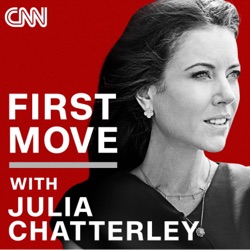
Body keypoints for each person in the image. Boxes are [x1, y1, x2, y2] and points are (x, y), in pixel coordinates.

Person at [51, 0, 250, 248]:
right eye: (201, 74)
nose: (228, 94)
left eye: (233, 74)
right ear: (146, 94)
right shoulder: (94, 211)